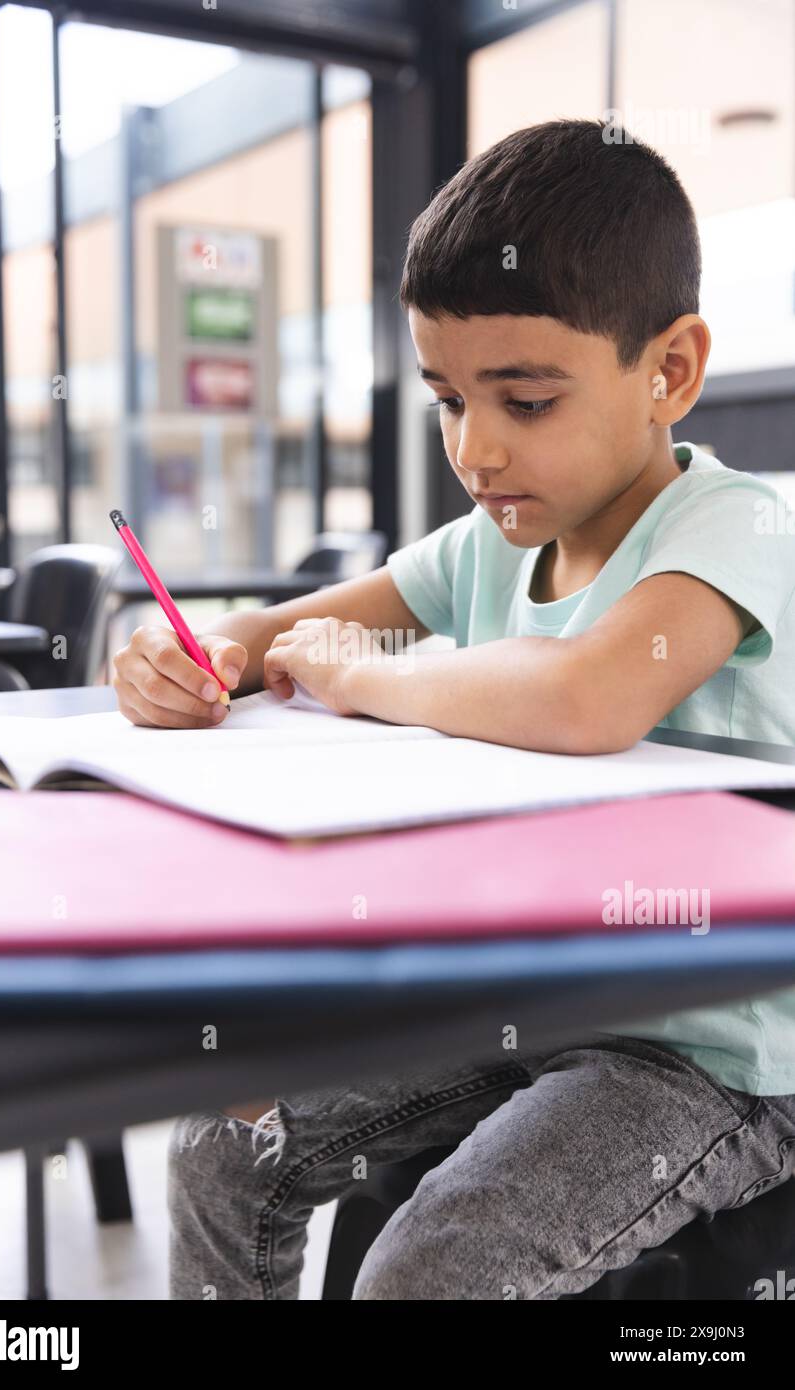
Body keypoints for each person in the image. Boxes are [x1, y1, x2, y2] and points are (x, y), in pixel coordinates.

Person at [113, 119, 795, 1299]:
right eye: (447, 399)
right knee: (222, 1148)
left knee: (432, 1268)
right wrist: (192, 656)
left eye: (525, 400)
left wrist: (365, 673)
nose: (475, 450)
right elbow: (268, 633)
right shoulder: (488, 541)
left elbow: (590, 692)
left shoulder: (735, 529)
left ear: (669, 371)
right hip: (538, 1004)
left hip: (717, 1055)